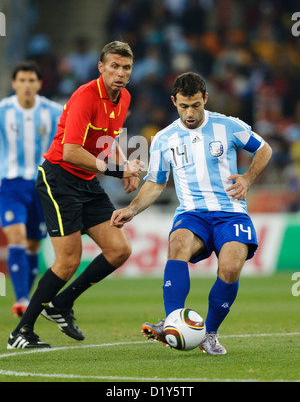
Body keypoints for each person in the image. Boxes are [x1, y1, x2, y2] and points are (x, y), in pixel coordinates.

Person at [111, 71, 272, 355]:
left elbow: (264, 149)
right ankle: (172, 322)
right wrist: (132, 209)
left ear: (205, 99)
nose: (189, 112)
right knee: (177, 244)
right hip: (192, 213)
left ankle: (209, 334)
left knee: (231, 268)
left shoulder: (228, 126)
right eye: (184, 106)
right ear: (174, 101)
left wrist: (247, 178)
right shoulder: (164, 138)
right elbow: (156, 182)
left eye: (196, 105)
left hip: (230, 213)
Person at [7, 41, 143, 349]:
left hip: (86, 183)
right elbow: (70, 152)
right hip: (58, 180)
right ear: (101, 67)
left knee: (119, 249)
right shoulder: (85, 96)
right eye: (114, 67)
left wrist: (126, 166)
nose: (120, 74)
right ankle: (21, 332)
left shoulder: (124, 98)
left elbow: (109, 139)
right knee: (68, 261)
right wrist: (117, 171)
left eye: (126, 68)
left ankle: (61, 303)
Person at [0, 61, 62, 317]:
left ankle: (27, 297)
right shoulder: (2, 110)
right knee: (16, 237)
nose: (26, 85)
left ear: (39, 84)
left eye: (31, 80)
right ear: (14, 83)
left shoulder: (54, 111)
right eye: (21, 80)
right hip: (11, 185)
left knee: (34, 245)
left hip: (42, 183)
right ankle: (22, 298)